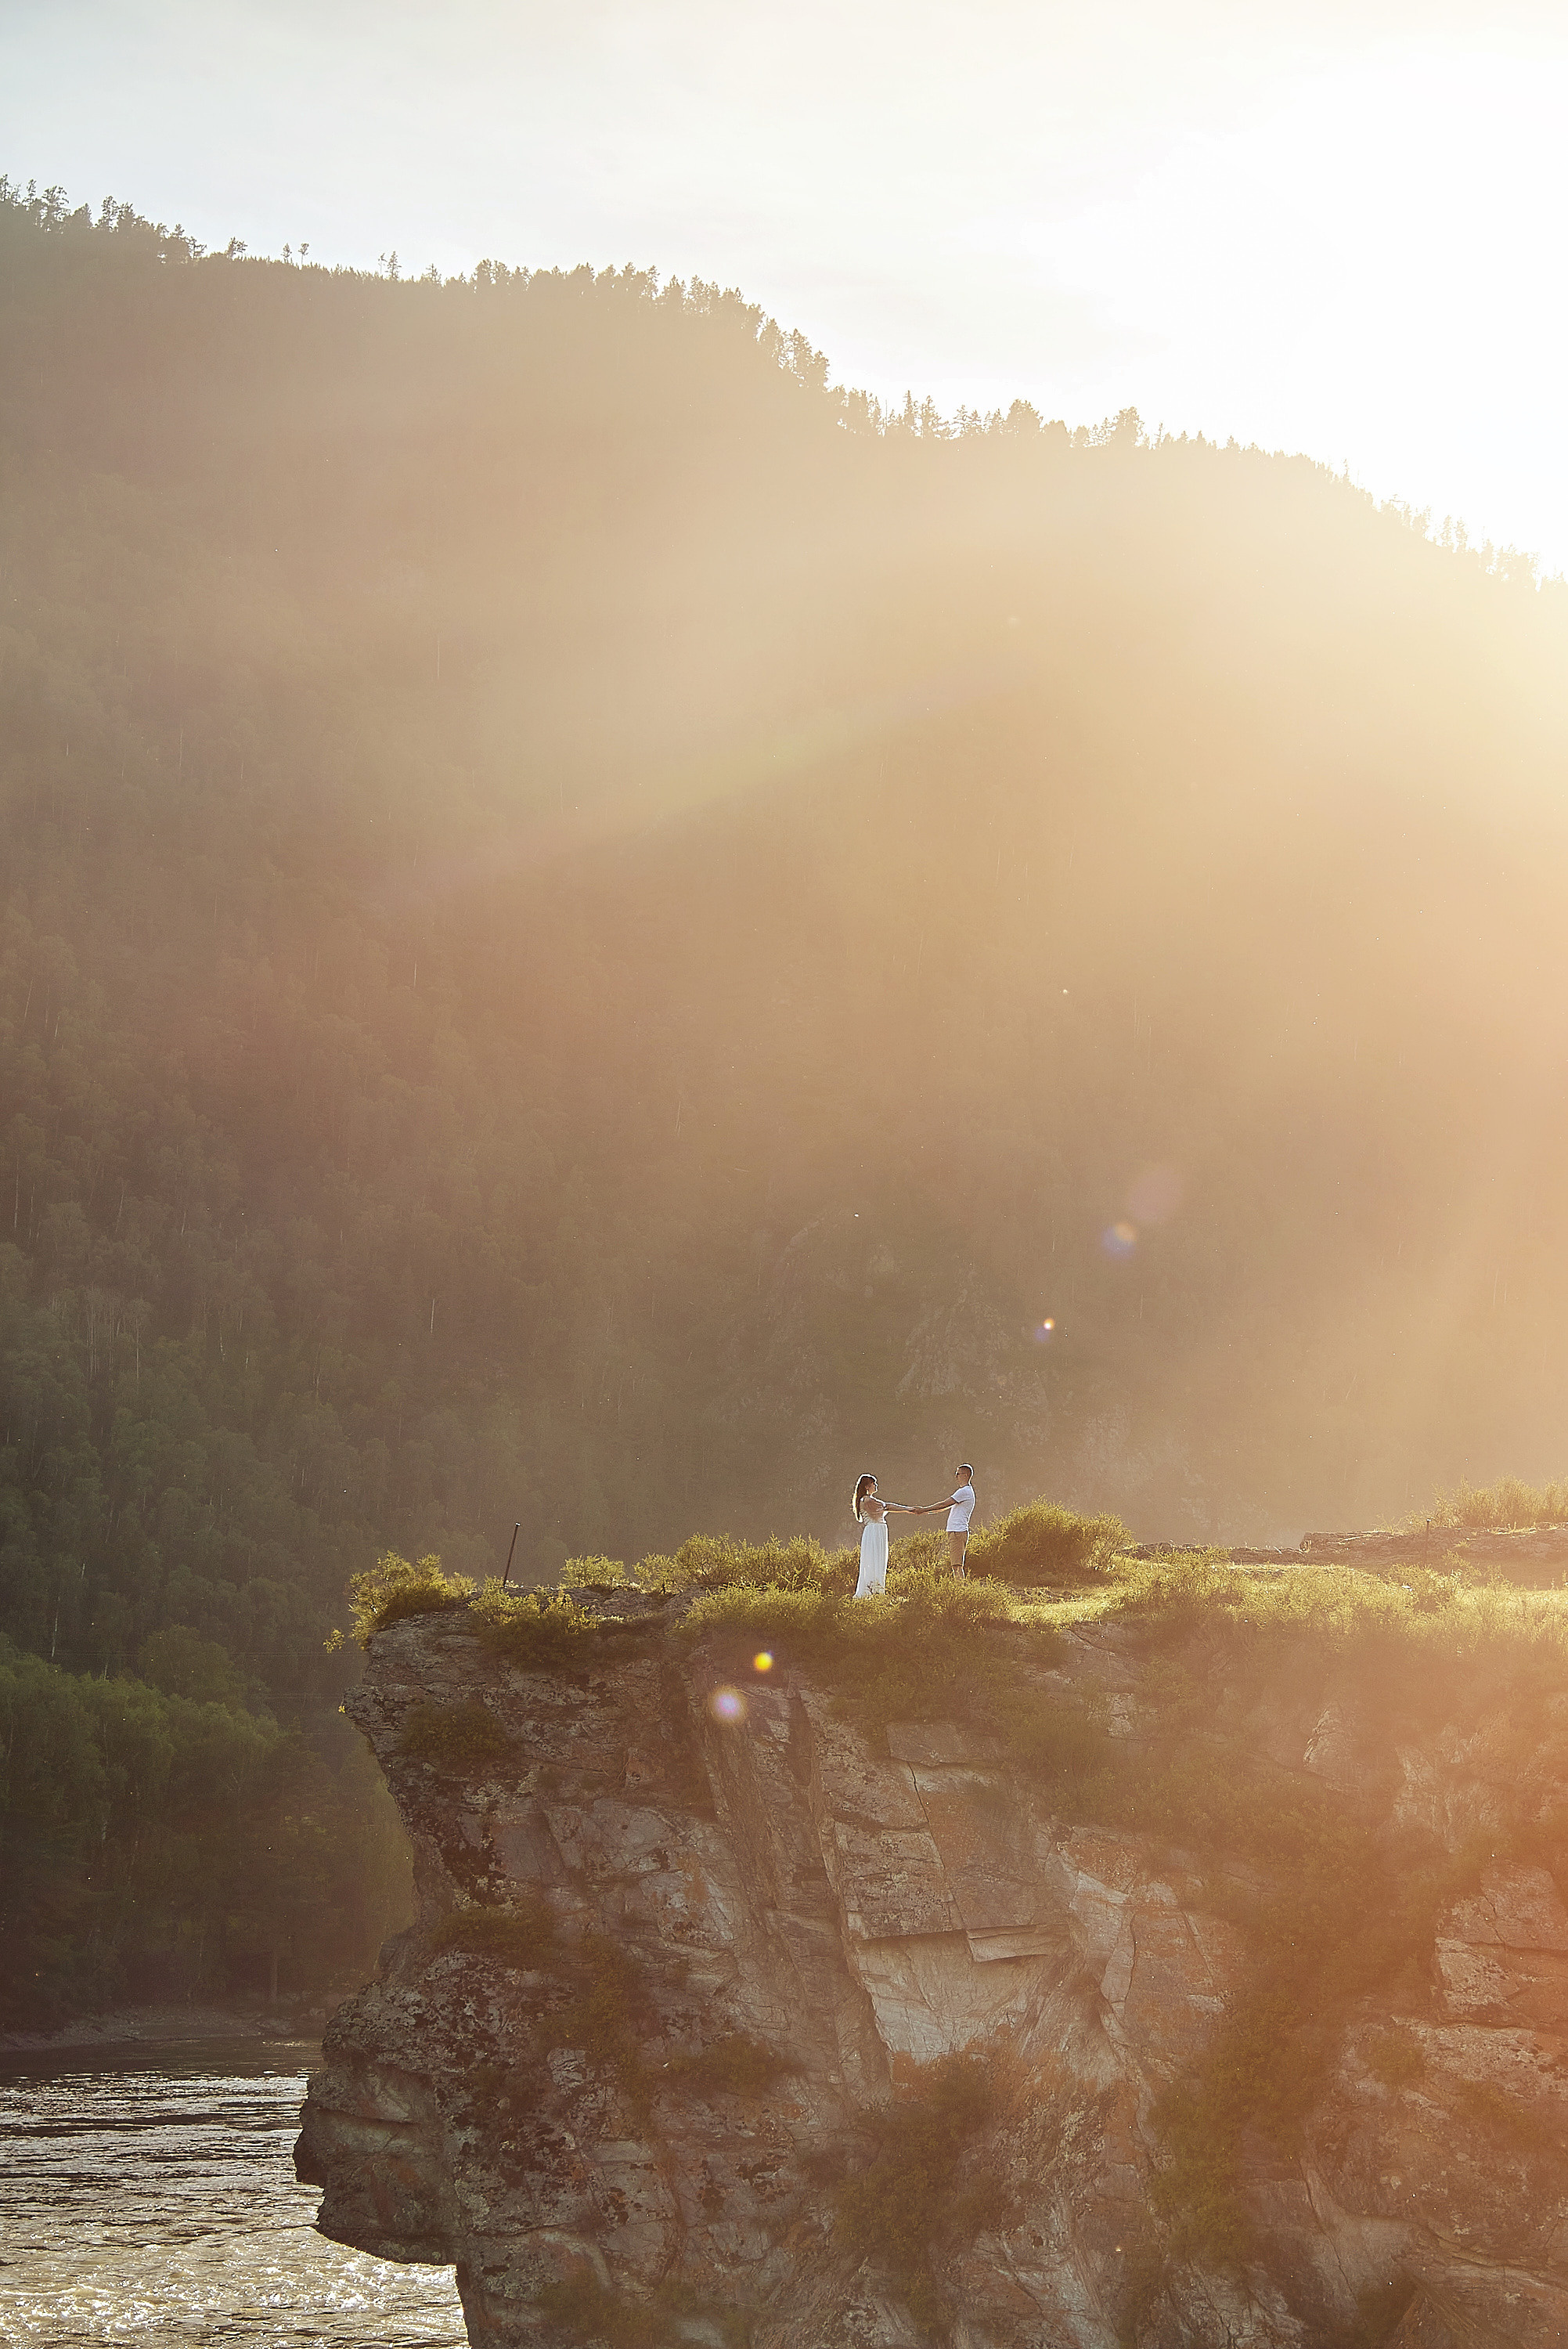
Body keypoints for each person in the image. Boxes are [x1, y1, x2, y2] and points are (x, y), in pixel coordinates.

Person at [850, 1473, 921, 1597]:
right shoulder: (867, 1500)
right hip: (874, 1531)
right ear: (867, 1486)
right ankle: (874, 1589)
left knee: (875, 1559)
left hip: (875, 1530)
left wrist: (908, 1509)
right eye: (873, 1484)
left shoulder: (867, 1500)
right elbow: (887, 1506)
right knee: (875, 1559)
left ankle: (875, 1588)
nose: (875, 1486)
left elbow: (887, 1506)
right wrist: (908, 1509)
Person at [912, 1463, 977, 1576]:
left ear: (966, 1475)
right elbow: (943, 1508)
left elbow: (943, 1504)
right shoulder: (963, 1492)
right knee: (955, 1565)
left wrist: (923, 1509)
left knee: (957, 1566)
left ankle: (960, 1590)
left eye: (958, 1474)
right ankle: (959, 1589)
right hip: (955, 1531)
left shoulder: (964, 1491)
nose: (956, 1476)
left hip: (958, 1531)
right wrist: (925, 1512)